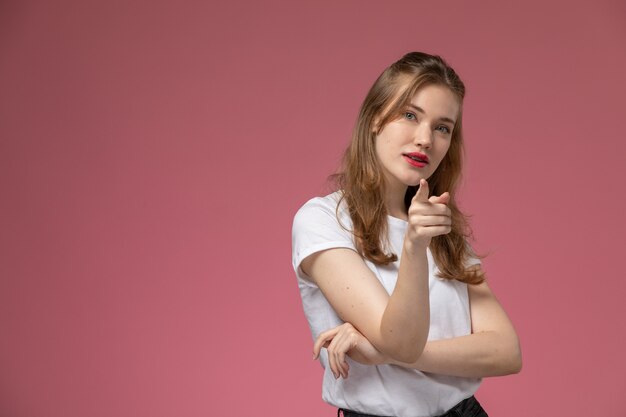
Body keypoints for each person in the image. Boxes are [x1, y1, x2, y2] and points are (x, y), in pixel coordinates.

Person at [291, 52, 522, 417]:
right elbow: (401, 338)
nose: (425, 139)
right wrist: (414, 247)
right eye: (410, 115)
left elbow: (506, 351)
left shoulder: (442, 232)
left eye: (442, 127)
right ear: (375, 118)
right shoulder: (323, 220)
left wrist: (388, 354)